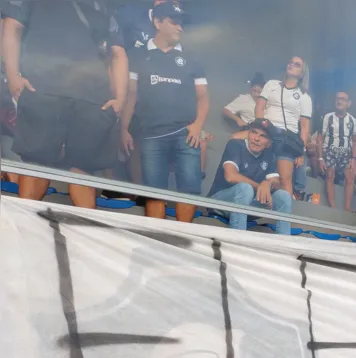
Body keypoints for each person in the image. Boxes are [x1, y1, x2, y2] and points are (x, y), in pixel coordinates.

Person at [2, 0, 127, 208]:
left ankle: (84, 236)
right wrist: (13, 75)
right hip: (43, 88)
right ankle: (26, 233)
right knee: (37, 163)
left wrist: (120, 98)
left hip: (91, 97)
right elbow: (11, 27)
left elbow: (118, 53)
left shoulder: (101, 6)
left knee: (83, 168)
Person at [121, 1, 208, 222]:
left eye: (182, 23)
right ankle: (157, 240)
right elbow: (131, 95)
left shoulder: (193, 58)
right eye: (174, 22)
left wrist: (198, 125)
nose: (180, 28)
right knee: (154, 192)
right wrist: (123, 128)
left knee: (189, 190)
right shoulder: (138, 55)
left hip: (186, 135)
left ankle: (183, 240)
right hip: (151, 134)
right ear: (157, 22)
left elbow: (203, 97)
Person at [207, 118, 291, 233]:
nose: (256, 138)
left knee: (283, 196)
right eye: (253, 132)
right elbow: (230, 176)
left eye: (263, 136)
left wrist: (268, 184)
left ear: (269, 143)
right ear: (248, 133)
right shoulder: (235, 145)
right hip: (220, 202)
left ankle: (284, 244)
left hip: (246, 206)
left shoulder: (270, 155)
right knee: (245, 188)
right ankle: (238, 239)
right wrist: (259, 186)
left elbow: (276, 183)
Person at [255, 56, 312, 198]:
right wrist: (259, 130)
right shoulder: (272, 84)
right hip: (266, 131)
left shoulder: (304, 96)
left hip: (287, 138)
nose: (291, 65)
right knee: (257, 171)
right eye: (290, 62)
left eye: (297, 64)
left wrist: (301, 151)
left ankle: (285, 216)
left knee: (285, 180)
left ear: (302, 73)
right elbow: (260, 107)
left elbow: (305, 126)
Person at [319, 91, 356, 210]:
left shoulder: (353, 120)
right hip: (330, 151)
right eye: (337, 98)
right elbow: (320, 138)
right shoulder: (328, 117)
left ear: (349, 103)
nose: (339, 101)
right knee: (330, 175)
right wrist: (320, 158)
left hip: (346, 153)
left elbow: (355, 140)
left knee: (350, 177)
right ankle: (332, 207)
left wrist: (354, 158)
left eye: (342, 99)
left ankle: (347, 208)